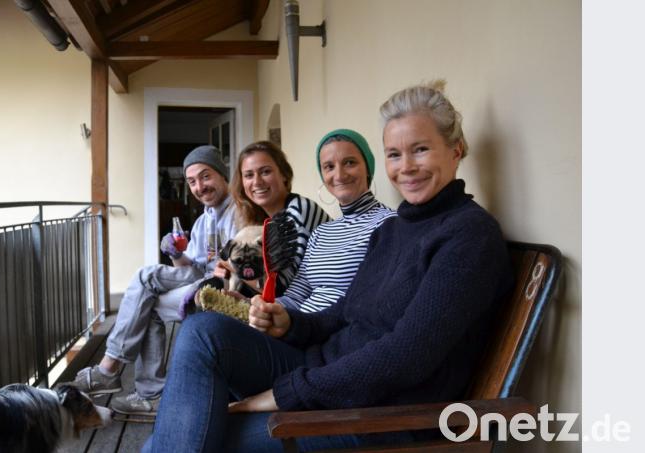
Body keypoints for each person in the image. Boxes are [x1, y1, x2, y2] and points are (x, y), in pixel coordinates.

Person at [142, 81, 515, 452]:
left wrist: (280, 395)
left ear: (456, 150)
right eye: (395, 155)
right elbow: (345, 311)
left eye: (420, 150)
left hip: (381, 412)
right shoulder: (395, 229)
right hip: (327, 373)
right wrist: (293, 324)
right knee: (203, 329)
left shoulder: (469, 236)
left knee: (181, 439)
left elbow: (406, 357)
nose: (407, 168)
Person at [71, 145, 237, 420]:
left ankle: (112, 372)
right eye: (192, 181)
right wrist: (175, 254)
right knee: (146, 297)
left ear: (222, 175)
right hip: (200, 277)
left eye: (205, 177)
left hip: (220, 287)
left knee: (144, 280)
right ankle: (148, 393)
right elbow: (189, 268)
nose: (199, 186)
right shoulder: (202, 221)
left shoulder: (237, 212)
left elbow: (234, 269)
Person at [277, 129, 396, 313]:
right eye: (329, 167)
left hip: (336, 336)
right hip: (298, 329)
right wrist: (262, 307)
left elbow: (374, 301)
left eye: (349, 163)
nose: (339, 175)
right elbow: (296, 294)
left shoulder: (389, 224)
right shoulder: (321, 232)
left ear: (368, 168)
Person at [221, 141, 331, 295]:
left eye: (265, 172)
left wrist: (232, 266)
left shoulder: (298, 211)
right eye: (249, 175)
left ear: (284, 175)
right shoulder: (266, 220)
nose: (257, 181)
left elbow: (281, 288)